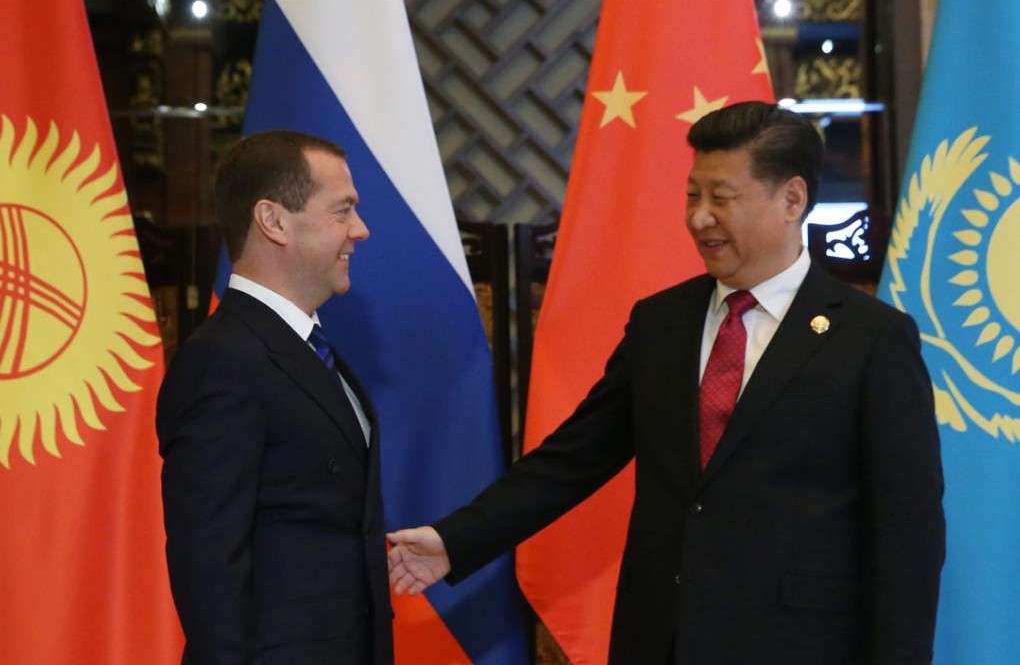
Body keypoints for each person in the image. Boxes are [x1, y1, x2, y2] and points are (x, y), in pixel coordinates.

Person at [387, 101, 945, 664]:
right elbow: (572, 458)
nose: (700, 217)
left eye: (721, 198)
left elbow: (907, 534)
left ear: (791, 199)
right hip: (660, 640)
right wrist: (456, 540)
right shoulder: (661, 324)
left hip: (798, 645)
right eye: (692, 195)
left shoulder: (870, 338)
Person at [157, 130, 392, 664]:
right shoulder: (222, 361)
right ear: (274, 221)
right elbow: (208, 566)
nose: (361, 230)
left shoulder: (307, 347)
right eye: (343, 211)